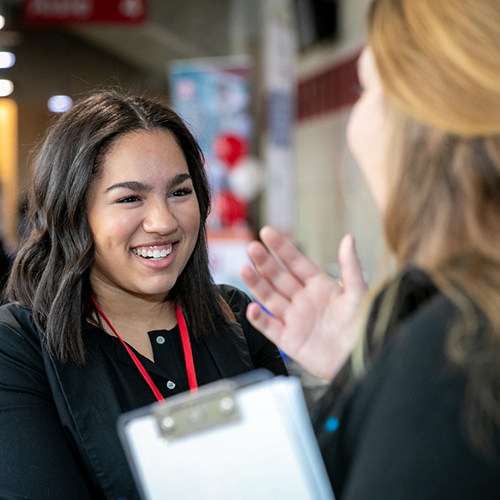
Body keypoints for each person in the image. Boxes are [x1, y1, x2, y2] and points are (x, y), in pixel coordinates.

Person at [240, 0, 500, 498]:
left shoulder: (452, 354)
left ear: (426, 122)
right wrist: (367, 372)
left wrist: (405, 373)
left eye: (365, 90)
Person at [0, 90, 287, 500]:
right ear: (73, 212)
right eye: (130, 198)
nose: (163, 221)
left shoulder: (238, 317)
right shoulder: (19, 348)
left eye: (179, 192)